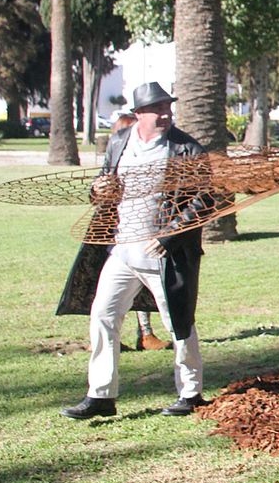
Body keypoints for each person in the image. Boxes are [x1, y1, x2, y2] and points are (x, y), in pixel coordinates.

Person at [57, 82, 209, 419]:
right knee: (103, 315)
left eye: (168, 108)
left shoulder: (187, 149)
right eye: (158, 109)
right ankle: (101, 395)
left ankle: (190, 393)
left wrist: (168, 236)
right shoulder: (119, 143)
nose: (166, 114)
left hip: (163, 255)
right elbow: (104, 187)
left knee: (178, 323)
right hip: (122, 250)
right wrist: (98, 190)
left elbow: (204, 200)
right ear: (139, 114)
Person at [107, 108, 172, 352]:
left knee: (145, 289)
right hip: (120, 238)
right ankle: (143, 333)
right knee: (109, 302)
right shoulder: (119, 149)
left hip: (146, 239)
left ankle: (145, 333)